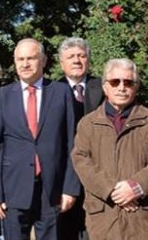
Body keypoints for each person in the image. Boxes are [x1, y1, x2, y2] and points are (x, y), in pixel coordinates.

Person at [71, 58, 148, 240]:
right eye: (115, 82)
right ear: (105, 87)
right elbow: (81, 161)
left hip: (144, 219)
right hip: (104, 219)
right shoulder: (88, 124)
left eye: (128, 82)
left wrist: (135, 187)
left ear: (136, 87)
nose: (121, 87)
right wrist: (113, 191)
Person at [0, 39, 80, 240]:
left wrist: (70, 189)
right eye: (20, 59)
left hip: (52, 189)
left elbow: (72, 144)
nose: (25, 64)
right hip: (14, 188)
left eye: (31, 58)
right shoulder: (2, 96)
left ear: (44, 60)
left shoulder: (61, 92)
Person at [56, 37, 104, 240]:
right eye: (71, 57)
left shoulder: (103, 87)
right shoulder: (52, 91)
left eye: (81, 56)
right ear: (61, 63)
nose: (76, 60)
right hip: (63, 175)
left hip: (98, 170)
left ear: (88, 61)